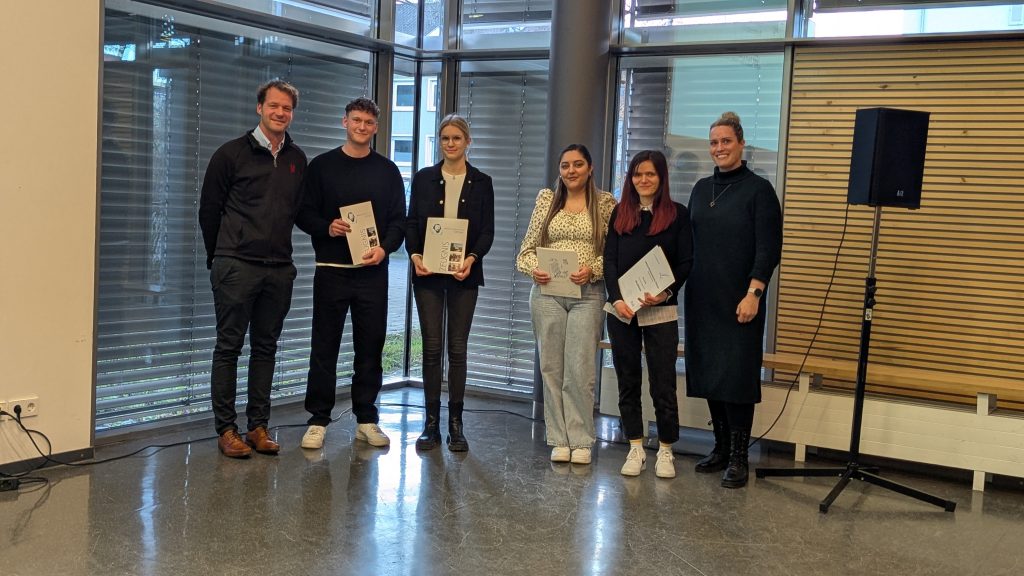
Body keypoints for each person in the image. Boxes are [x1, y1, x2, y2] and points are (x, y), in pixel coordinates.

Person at [198, 80, 307, 458]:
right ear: (259, 108)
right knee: (229, 347)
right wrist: (220, 257)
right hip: (236, 265)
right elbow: (209, 211)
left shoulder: (297, 159)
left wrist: (330, 226)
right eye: (274, 106)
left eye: (287, 108)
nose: (280, 113)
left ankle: (258, 426)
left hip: (278, 269)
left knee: (266, 348)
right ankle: (226, 430)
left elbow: (299, 211)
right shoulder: (230, 154)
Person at [296, 97, 407, 450]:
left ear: (376, 127)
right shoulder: (321, 166)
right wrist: (326, 227)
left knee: (370, 348)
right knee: (324, 347)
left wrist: (385, 248)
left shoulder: (388, 171)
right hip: (331, 271)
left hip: (372, 273)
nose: (362, 126)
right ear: (344, 121)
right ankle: (318, 420)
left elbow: (399, 221)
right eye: (356, 120)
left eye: (369, 122)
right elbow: (303, 213)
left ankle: (366, 418)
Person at [684, 112, 783, 488]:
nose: (719, 148)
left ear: (741, 144)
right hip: (703, 299)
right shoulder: (700, 189)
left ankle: (740, 457)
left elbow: (768, 248)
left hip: (741, 300)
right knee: (711, 372)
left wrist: (754, 293)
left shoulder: (759, 190)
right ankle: (721, 448)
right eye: (714, 142)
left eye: (726, 141)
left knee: (737, 377)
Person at [517, 144, 616, 465]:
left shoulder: (604, 204)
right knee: (551, 369)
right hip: (547, 294)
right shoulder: (547, 201)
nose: (571, 171)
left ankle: (581, 440)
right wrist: (535, 269)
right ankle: (559, 439)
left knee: (580, 369)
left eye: (578, 164)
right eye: (565, 165)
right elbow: (525, 252)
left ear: (590, 168)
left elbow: (612, 254)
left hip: (588, 295)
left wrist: (593, 270)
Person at [405, 114, 495, 452]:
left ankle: (456, 424)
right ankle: (431, 424)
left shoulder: (482, 182)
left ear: (468, 142)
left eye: (457, 138)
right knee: (431, 348)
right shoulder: (423, 178)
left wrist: (471, 259)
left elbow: (487, 231)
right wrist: (415, 255)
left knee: (457, 349)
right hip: (427, 274)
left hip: (464, 276)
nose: (451, 143)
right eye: (445, 138)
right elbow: (412, 222)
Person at [604, 150, 693, 478]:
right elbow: (609, 260)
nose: (643, 180)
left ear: (661, 178)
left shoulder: (678, 214)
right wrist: (616, 299)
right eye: (638, 174)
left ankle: (666, 449)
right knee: (627, 380)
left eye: (650, 174)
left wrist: (665, 293)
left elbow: (685, 262)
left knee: (663, 382)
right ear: (631, 178)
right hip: (623, 311)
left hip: (661, 310)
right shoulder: (620, 213)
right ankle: (635, 447)